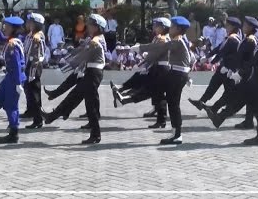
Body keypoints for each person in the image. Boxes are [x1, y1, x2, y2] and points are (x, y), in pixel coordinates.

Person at [205, 16, 258, 145]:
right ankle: (220, 118)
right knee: (241, 98)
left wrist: (241, 73)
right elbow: (252, 61)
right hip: (255, 78)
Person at [41, 14, 107, 144]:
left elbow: (82, 56)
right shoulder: (93, 39)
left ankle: (95, 135)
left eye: (91, 24)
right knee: (74, 96)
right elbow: (80, 50)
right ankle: (52, 116)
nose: (88, 26)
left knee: (91, 105)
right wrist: (67, 54)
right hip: (90, 72)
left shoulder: (96, 41)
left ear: (97, 27)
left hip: (93, 73)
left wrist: (65, 67)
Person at [131, 16, 195, 144]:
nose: (169, 29)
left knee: (172, 104)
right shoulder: (180, 40)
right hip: (177, 74)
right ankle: (176, 134)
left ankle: (177, 135)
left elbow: (159, 48)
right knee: (171, 103)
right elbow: (189, 59)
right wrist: (186, 76)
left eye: (171, 27)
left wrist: (140, 48)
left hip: (177, 75)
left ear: (178, 29)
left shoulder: (177, 42)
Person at [111, 17, 171, 128]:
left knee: (157, 94)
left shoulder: (163, 39)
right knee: (154, 92)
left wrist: (144, 62)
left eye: (156, 25)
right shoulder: (159, 38)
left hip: (162, 68)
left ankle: (125, 98)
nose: (154, 27)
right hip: (156, 67)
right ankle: (124, 96)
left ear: (163, 27)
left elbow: (155, 53)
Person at [188, 17, 241, 114]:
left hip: (229, 69)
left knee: (229, 91)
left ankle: (225, 109)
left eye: (228, 25)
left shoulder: (233, 39)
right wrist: (208, 56)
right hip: (223, 67)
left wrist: (210, 61)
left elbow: (222, 52)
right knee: (213, 84)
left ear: (234, 27)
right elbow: (218, 48)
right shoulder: (228, 37)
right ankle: (202, 101)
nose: (226, 27)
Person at [22, 13, 46, 129]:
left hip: (34, 67)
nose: (27, 24)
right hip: (28, 65)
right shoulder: (30, 35)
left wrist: (31, 73)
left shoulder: (37, 37)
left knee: (34, 94)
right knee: (29, 91)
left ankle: (38, 120)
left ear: (35, 24)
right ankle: (31, 112)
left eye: (29, 22)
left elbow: (37, 56)